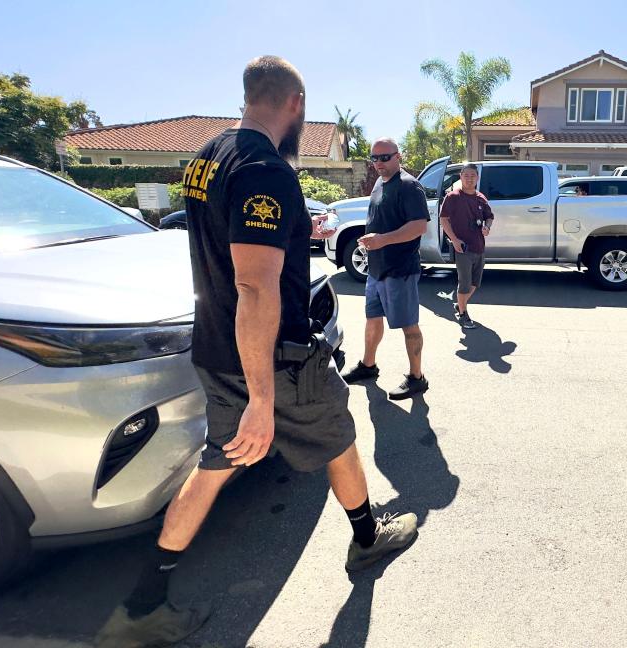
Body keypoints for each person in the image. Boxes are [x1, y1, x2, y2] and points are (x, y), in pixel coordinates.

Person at [96, 57, 417, 648]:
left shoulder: (207, 157)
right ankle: (368, 537)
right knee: (338, 435)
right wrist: (263, 398)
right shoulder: (266, 168)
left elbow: (232, 252)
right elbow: (254, 284)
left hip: (216, 351)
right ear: (294, 102)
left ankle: (141, 606)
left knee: (217, 463)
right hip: (277, 360)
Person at [340, 138, 430, 400]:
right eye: (374, 158)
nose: (378, 163)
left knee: (408, 325)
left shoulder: (409, 186)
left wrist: (382, 240)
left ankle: (417, 378)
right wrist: (371, 240)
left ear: (397, 156)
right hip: (376, 269)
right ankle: (368, 366)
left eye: (384, 157)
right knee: (372, 319)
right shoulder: (380, 183)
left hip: (400, 269)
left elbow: (418, 226)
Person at [439, 164, 493, 329]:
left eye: (473, 176)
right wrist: (454, 240)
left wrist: (487, 227)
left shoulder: (481, 198)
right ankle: (463, 314)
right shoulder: (453, 197)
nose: (469, 179)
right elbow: (444, 220)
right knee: (464, 283)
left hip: (479, 246)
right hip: (462, 248)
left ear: (477, 178)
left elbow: (489, 217)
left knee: (475, 283)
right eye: (466, 175)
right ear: (461, 177)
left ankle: (459, 304)